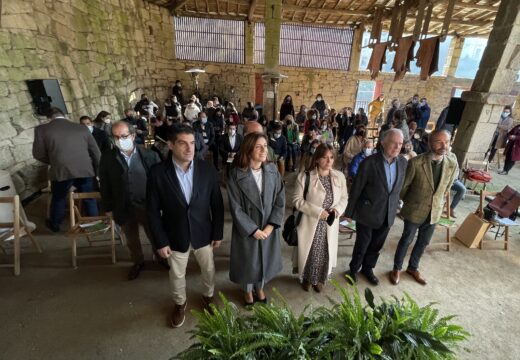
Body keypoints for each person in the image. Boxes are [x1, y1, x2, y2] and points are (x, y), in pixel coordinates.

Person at [147, 125, 224, 328]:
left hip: (204, 233)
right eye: (183, 143)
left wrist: (217, 232)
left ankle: (208, 297)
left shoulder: (207, 170)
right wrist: (160, 241)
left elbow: (216, 204)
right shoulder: (157, 173)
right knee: (177, 274)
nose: (190, 148)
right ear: (171, 145)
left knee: (208, 269)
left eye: (192, 143)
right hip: (175, 235)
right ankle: (180, 303)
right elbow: (153, 211)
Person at [390, 130, 459, 286]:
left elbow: (447, 187)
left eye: (447, 142)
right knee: (406, 240)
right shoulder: (416, 163)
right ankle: (396, 268)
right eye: (439, 142)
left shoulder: (452, 164)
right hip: (414, 210)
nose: (444, 146)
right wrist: (412, 203)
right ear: (430, 143)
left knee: (423, 242)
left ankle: (413, 268)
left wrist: (438, 203)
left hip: (434, 212)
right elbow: (404, 188)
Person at [99, 121, 162, 280]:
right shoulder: (107, 158)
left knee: (155, 234)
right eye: (116, 137)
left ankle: (162, 258)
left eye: (124, 136)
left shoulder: (150, 155)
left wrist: (162, 204)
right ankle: (138, 262)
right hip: (123, 206)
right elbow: (105, 184)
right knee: (131, 238)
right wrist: (108, 207)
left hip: (147, 205)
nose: (120, 140)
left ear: (133, 136)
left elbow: (160, 183)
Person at [227, 133, 285, 306]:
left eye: (265, 146)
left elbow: (280, 199)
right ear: (248, 149)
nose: (263, 150)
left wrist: (271, 226)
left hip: (267, 226)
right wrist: (253, 229)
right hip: (248, 228)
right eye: (258, 146)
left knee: (263, 259)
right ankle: (247, 290)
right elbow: (235, 207)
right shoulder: (236, 175)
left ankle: (260, 287)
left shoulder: (273, 170)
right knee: (248, 261)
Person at [345, 129, 407, 285]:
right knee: (362, 244)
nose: (397, 147)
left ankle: (368, 268)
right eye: (394, 143)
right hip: (367, 212)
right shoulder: (370, 162)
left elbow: (398, 189)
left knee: (376, 245)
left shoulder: (403, 163)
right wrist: (350, 212)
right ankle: (353, 270)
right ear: (383, 142)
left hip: (388, 213)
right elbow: (357, 188)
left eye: (400, 144)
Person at [32, 107, 101, 232]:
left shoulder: (41, 129)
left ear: (48, 118)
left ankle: (55, 224)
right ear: (64, 115)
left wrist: (54, 160)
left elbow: (38, 153)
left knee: (59, 197)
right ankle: (94, 224)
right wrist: (98, 170)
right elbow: (95, 152)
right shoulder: (82, 128)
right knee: (88, 196)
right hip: (84, 168)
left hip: (61, 170)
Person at [293, 143, 348, 292]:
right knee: (310, 252)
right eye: (324, 158)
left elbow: (344, 198)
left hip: (330, 224)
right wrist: (318, 212)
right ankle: (307, 278)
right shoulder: (305, 177)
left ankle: (319, 279)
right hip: (310, 223)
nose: (329, 161)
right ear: (317, 159)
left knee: (325, 252)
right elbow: (297, 200)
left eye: (331, 157)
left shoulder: (339, 176)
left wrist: (337, 210)